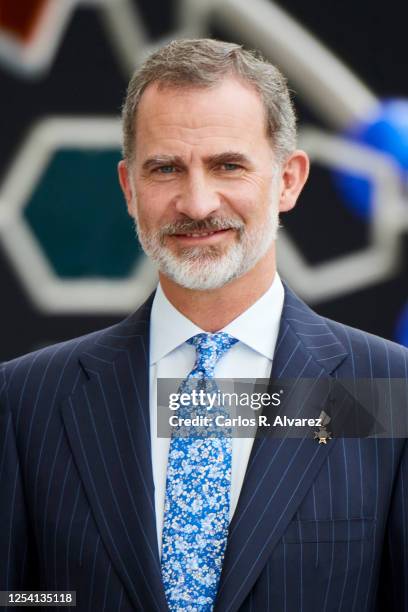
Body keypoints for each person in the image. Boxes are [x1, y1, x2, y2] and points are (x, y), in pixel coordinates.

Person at [1, 38, 407, 612]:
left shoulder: (388, 392)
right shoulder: (26, 400)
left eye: (227, 165)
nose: (196, 202)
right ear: (128, 189)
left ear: (288, 180)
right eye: (166, 168)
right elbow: (24, 597)